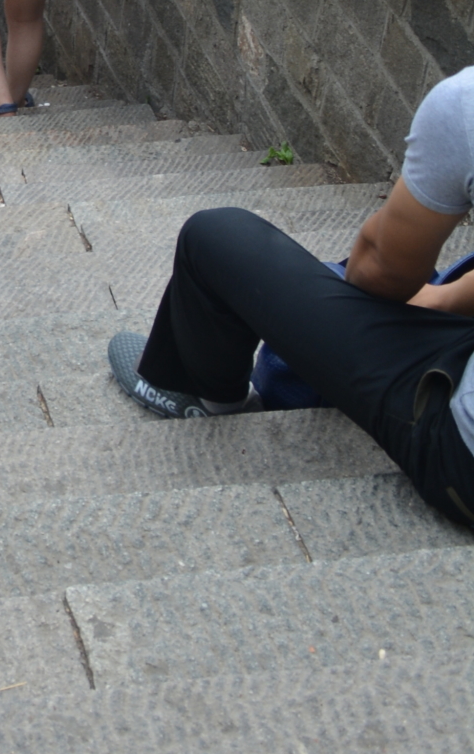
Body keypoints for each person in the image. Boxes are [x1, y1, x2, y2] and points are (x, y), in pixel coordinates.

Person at [107, 72, 474, 532]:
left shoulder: (466, 105)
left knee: (216, 236)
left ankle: (211, 398)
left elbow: (379, 272)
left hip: (462, 465)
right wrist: (441, 302)